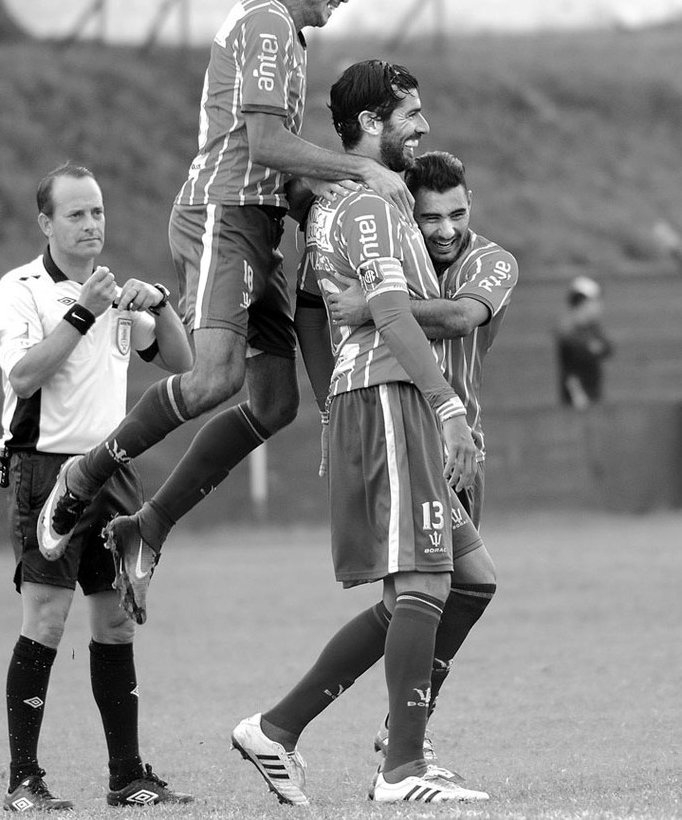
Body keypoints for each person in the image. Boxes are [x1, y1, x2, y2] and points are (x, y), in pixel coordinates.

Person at [38, 0, 413, 625]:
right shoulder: (267, 21)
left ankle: (146, 525)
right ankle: (83, 474)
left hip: (259, 222)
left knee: (274, 402)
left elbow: (280, 162)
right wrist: (358, 166)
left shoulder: (284, 34)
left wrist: (327, 202)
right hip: (224, 214)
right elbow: (266, 143)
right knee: (215, 376)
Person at [231, 60, 490, 805]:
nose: (424, 125)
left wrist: (332, 393)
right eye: (411, 112)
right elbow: (391, 314)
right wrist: (446, 407)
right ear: (372, 124)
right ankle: (402, 767)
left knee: (469, 577)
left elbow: (326, 308)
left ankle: (277, 730)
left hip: (377, 393)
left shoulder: (364, 203)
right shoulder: (369, 207)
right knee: (423, 580)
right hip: (388, 396)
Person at [0, 163, 194, 811]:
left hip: (114, 469)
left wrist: (157, 301)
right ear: (46, 223)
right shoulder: (19, 289)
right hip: (43, 469)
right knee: (46, 619)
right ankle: (23, 780)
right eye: (76, 213)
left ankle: (126, 775)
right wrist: (84, 311)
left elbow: (184, 363)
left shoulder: (117, 293)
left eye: (97, 212)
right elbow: (23, 377)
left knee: (116, 622)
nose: (91, 224)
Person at [322, 149, 518, 760]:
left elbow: (461, 317)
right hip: (403, 434)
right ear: (412, 211)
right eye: (431, 218)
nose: (447, 230)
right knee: (418, 597)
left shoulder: (493, 260)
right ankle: (399, 744)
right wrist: (381, 309)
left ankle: (398, 728)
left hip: (462, 450)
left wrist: (378, 308)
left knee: (458, 592)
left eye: (457, 213)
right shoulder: (390, 246)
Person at [555, 276, 614, 410]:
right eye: (595, 301)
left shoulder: (592, 328)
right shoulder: (568, 330)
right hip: (578, 399)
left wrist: (593, 348)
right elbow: (572, 365)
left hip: (593, 393)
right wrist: (577, 394)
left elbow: (608, 349)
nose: (600, 306)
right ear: (582, 302)